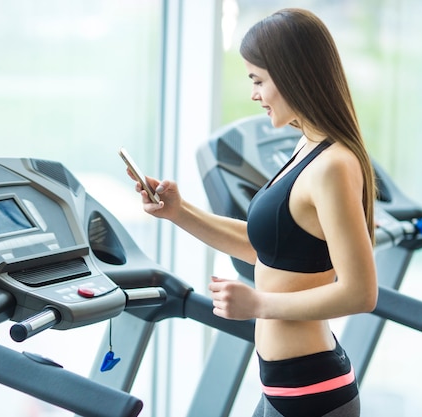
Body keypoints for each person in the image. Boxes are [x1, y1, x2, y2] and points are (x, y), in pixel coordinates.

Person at [128, 8, 378, 417]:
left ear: (293, 74)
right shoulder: (307, 147)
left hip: (311, 393)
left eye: (259, 80)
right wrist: (178, 211)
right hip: (284, 388)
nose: (254, 94)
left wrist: (258, 304)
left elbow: (361, 292)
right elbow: (266, 248)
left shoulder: (333, 164)